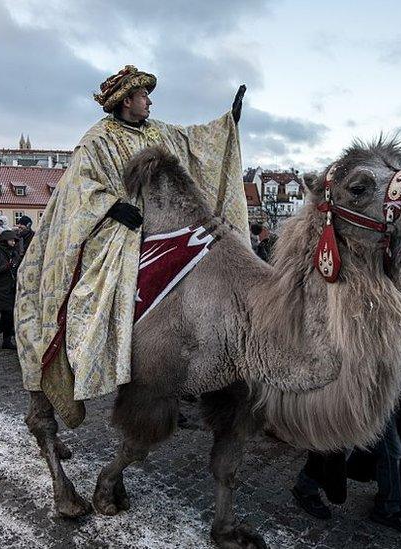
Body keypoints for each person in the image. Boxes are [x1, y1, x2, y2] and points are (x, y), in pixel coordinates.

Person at [15, 65, 249, 424]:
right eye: (144, 96)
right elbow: (79, 188)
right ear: (127, 101)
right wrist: (111, 206)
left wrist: (227, 125)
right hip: (117, 232)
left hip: (163, 228)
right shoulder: (98, 140)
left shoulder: (159, 132)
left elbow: (194, 143)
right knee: (93, 295)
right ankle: (95, 352)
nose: (150, 102)